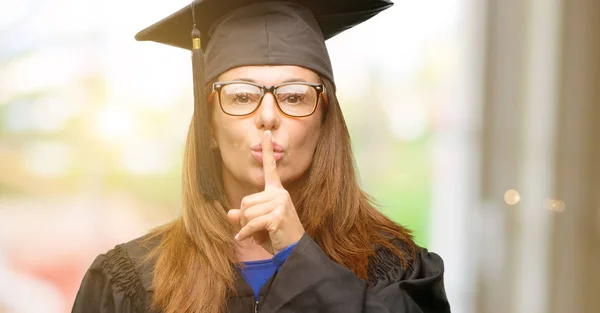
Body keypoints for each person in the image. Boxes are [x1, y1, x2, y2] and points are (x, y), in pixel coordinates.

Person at [72, 0, 451, 312]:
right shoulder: (129, 282)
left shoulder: (396, 271)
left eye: (294, 96)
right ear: (210, 127)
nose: (267, 116)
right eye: (241, 96)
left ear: (324, 122)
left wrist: (297, 255)